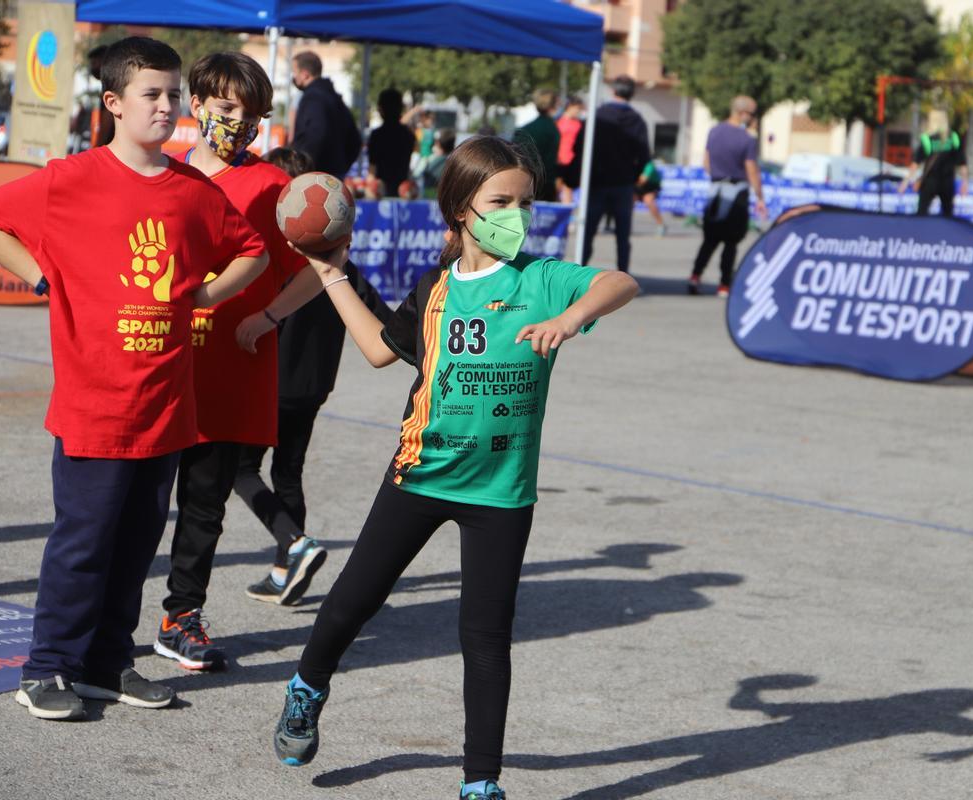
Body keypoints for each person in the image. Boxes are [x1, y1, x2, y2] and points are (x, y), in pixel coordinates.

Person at [270, 135, 639, 800]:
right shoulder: (435, 291)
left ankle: (479, 783)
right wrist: (330, 273)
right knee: (354, 600)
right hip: (423, 474)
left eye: (526, 203)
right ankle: (307, 685)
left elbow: (620, 281)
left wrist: (575, 316)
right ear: (462, 207)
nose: (517, 216)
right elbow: (381, 353)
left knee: (486, 638)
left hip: (501, 489)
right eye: (502, 201)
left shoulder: (542, 279)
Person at [0, 36, 270, 722]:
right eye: (151, 95)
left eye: (171, 95)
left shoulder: (195, 190)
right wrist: (39, 275)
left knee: (135, 547)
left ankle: (107, 664)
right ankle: (46, 668)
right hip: (95, 406)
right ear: (113, 104)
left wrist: (209, 298)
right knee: (82, 545)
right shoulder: (72, 178)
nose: (166, 107)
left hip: (166, 407)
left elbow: (250, 250)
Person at [153, 52, 328, 672]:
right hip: (161, 367)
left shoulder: (274, 188)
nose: (239, 123)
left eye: (252, 114)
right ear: (195, 105)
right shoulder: (163, 177)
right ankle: (104, 618)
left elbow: (322, 269)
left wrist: (269, 316)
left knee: (205, 504)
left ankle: (182, 617)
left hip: (232, 369)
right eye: (227, 108)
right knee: (136, 506)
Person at [231, 146, 392, 608]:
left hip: (272, 385)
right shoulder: (340, 266)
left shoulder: (276, 262)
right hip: (313, 388)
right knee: (288, 472)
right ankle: (285, 570)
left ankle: (295, 543)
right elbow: (384, 322)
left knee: (241, 470)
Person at [688, 95, 766, 297]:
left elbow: (706, 163)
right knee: (731, 243)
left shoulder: (714, 131)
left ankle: (695, 276)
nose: (753, 118)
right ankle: (724, 284)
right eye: (752, 114)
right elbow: (752, 170)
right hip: (737, 194)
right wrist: (760, 197)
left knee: (709, 240)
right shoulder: (747, 139)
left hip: (715, 192)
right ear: (743, 113)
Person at [571, 76, 650, 274]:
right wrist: (634, 177)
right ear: (632, 94)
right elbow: (644, 155)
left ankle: (578, 276)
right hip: (623, 184)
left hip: (596, 182)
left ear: (613, 91)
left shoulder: (598, 116)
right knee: (622, 236)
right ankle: (623, 276)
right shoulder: (637, 120)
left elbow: (579, 146)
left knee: (587, 232)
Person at [289, 51, 361, 178]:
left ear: (305, 74)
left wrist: (301, 168)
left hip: (315, 178)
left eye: (295, 72)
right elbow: (355, 140)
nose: (293, 77)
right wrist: (340, 167)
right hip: (333, 175)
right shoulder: (334, 98)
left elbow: (314, 136)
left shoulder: (313, 98)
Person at [901, 111, 967, 218]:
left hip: (930, 182)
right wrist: (964, 183)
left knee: (922, 213)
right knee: (948, 214)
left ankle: (920, 233)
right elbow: (962, 163)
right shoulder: (954, 138)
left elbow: (916, 163)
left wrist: (905, 182)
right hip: (948, 182)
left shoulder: (927, 139)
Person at [367, 88, 417, 198]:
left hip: (380, 190)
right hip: (404, 189)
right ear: (400, 109)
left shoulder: (377, 135)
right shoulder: (408, 135)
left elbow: (372, 170)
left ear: (381, 109)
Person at [514, 88, 559, 202]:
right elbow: (551, 161)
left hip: (522, 181)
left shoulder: (525, 129)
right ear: (552, 105)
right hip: (544, 184)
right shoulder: (552, 129)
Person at [555, 96, 584, 203]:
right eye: (577, 108)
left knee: (568, 188)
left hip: (573, 161)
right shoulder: (558, 121)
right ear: (570, 107)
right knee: (556, 187)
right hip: (559, 160)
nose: (579, 111)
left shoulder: (580, 124)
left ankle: (566, 214)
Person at [87, 45, 115, 148]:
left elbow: (106, 122)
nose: (92, 68)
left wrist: (97, 147)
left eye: (94, 63)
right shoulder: (110, 86)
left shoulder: (110, 88)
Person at [418, 127, 457, 199]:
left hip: (430, 201)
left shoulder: (430, 161)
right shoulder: (455, 163)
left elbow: (419, 177)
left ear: (438, 143)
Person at [637, 160, 667, 236]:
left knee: (648, 201)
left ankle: (661, 225)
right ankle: (624, 226)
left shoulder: (648, 164)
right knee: (628, 202)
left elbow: (643, 180)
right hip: (639, 183)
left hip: (652, 185)